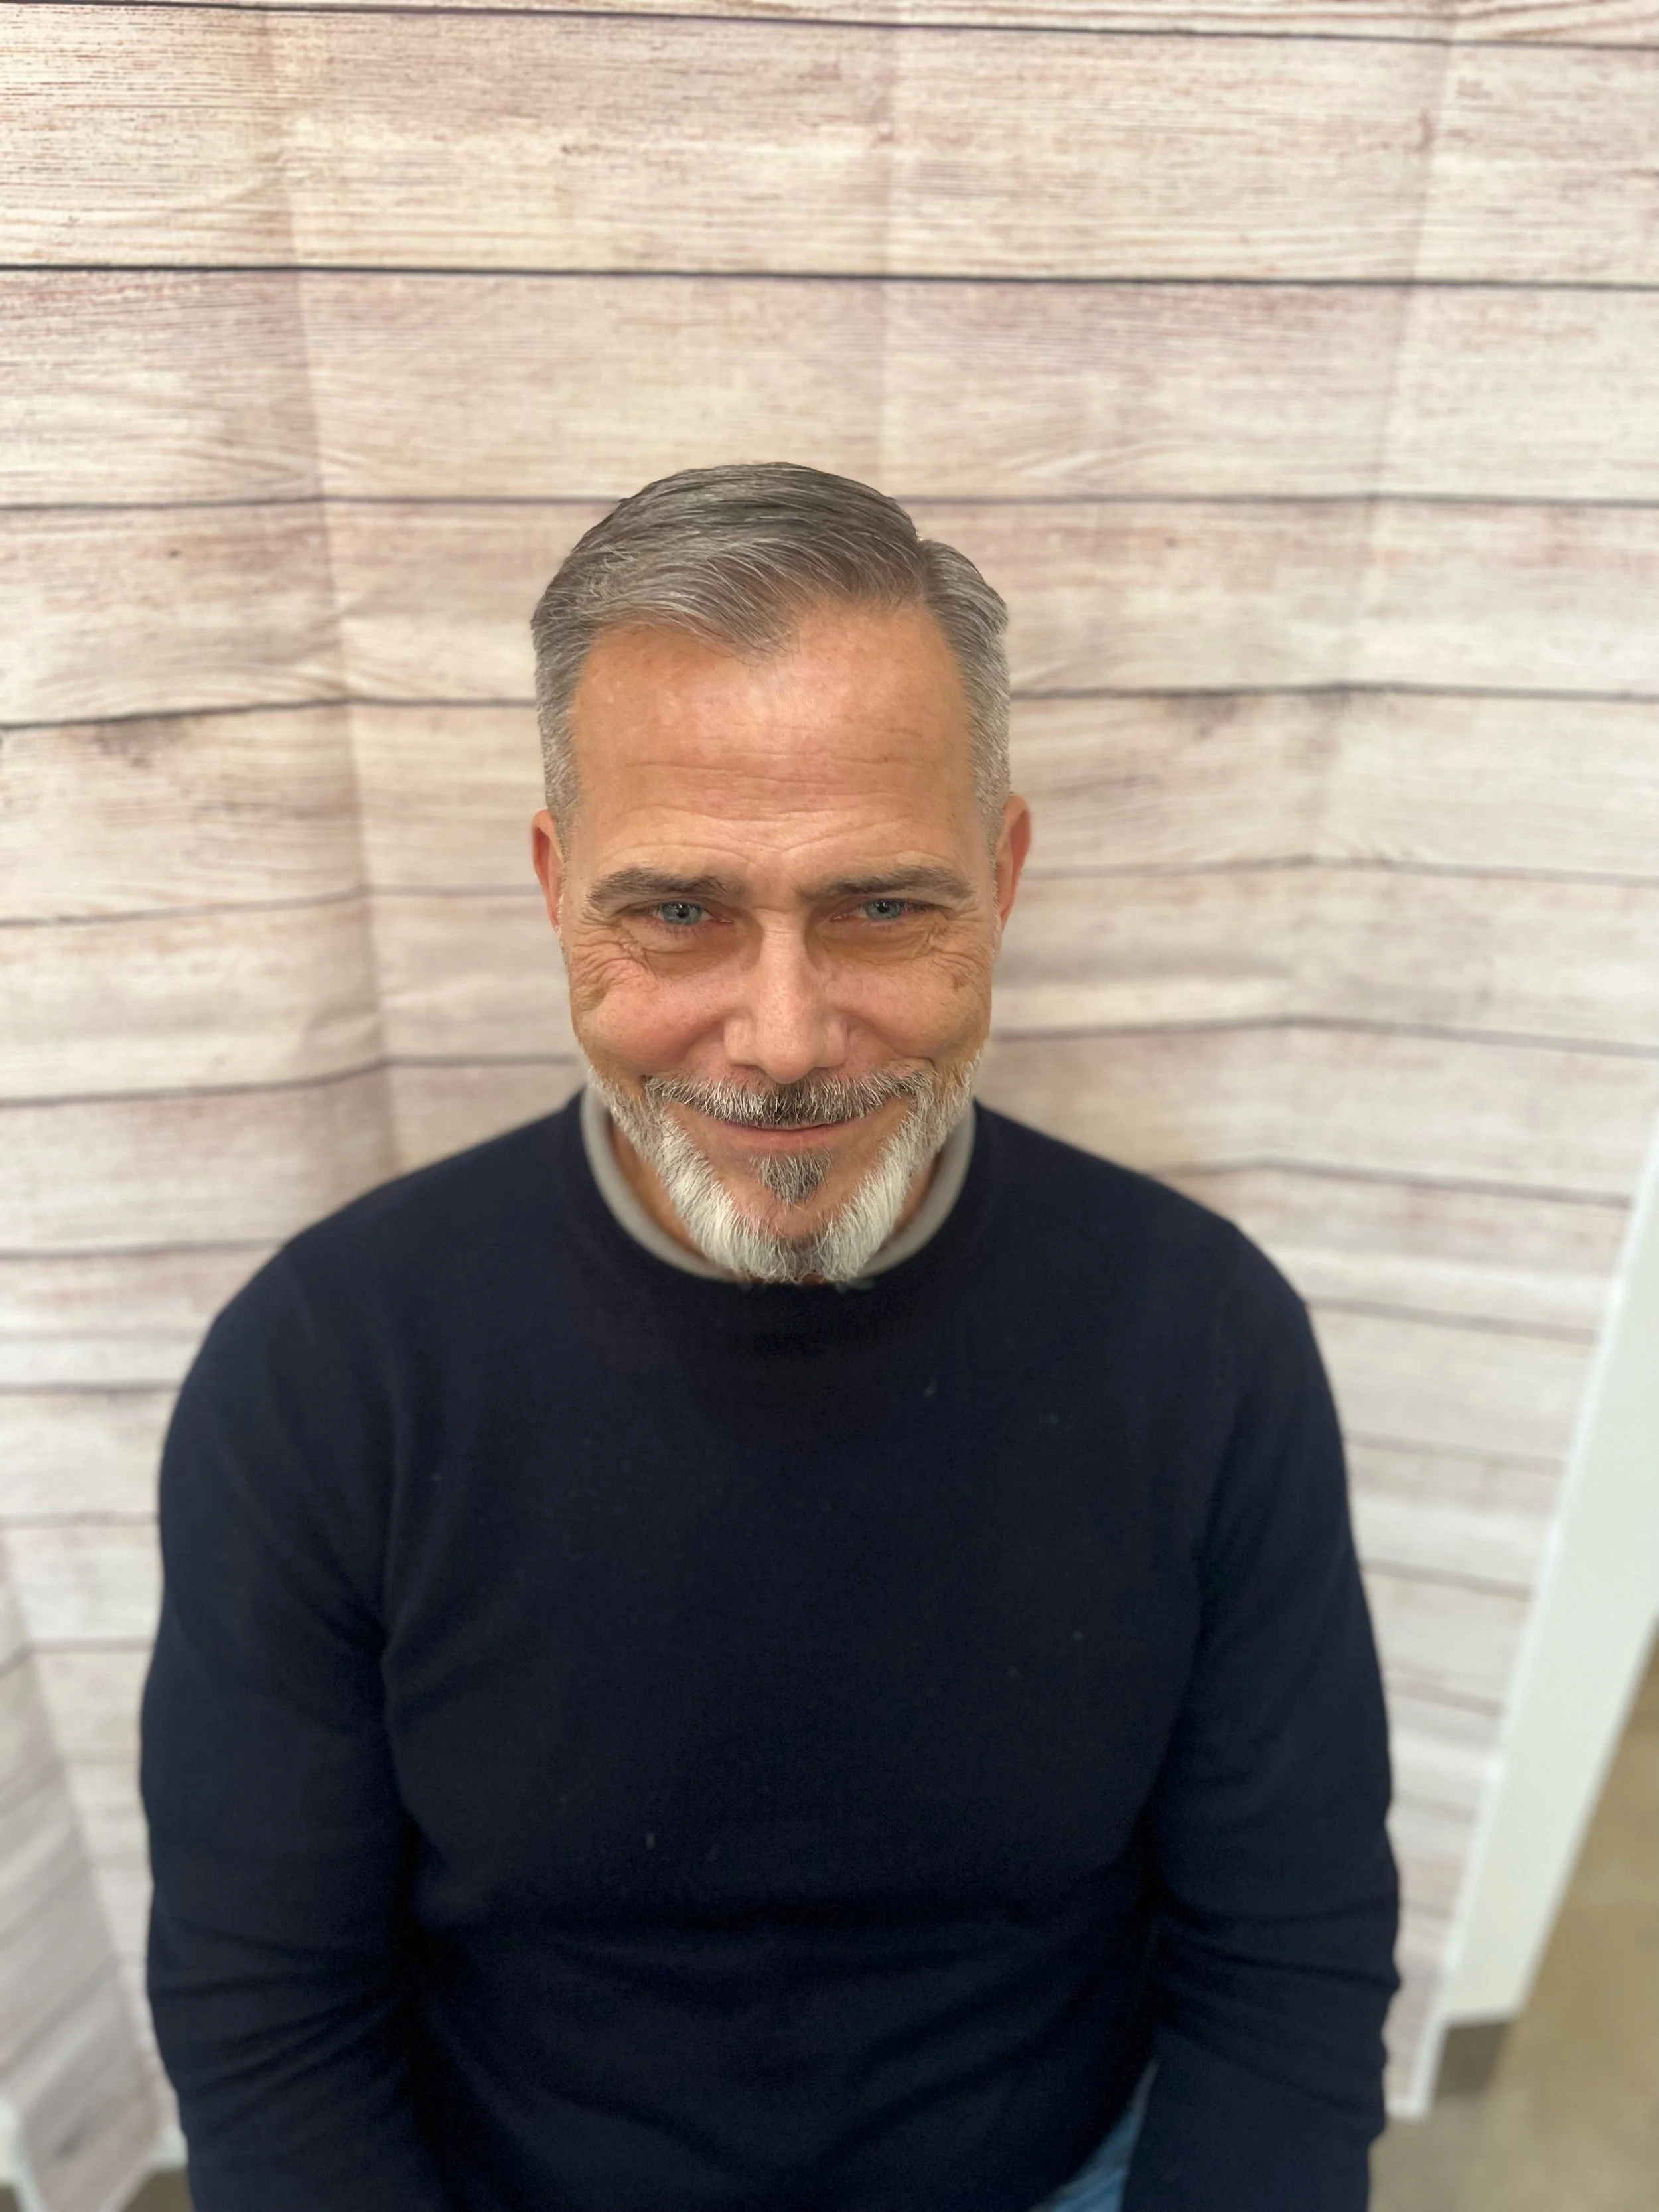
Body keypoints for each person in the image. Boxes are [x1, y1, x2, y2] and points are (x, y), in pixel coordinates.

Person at [141, 463, 1399, 2212]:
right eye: (678, 911)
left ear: (1003, 874)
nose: (785, 1037)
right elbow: (269, 2013)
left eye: (882, 905)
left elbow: (1290, 1962)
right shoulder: (326, 1376)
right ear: (555, 885)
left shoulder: (1204, 1345)